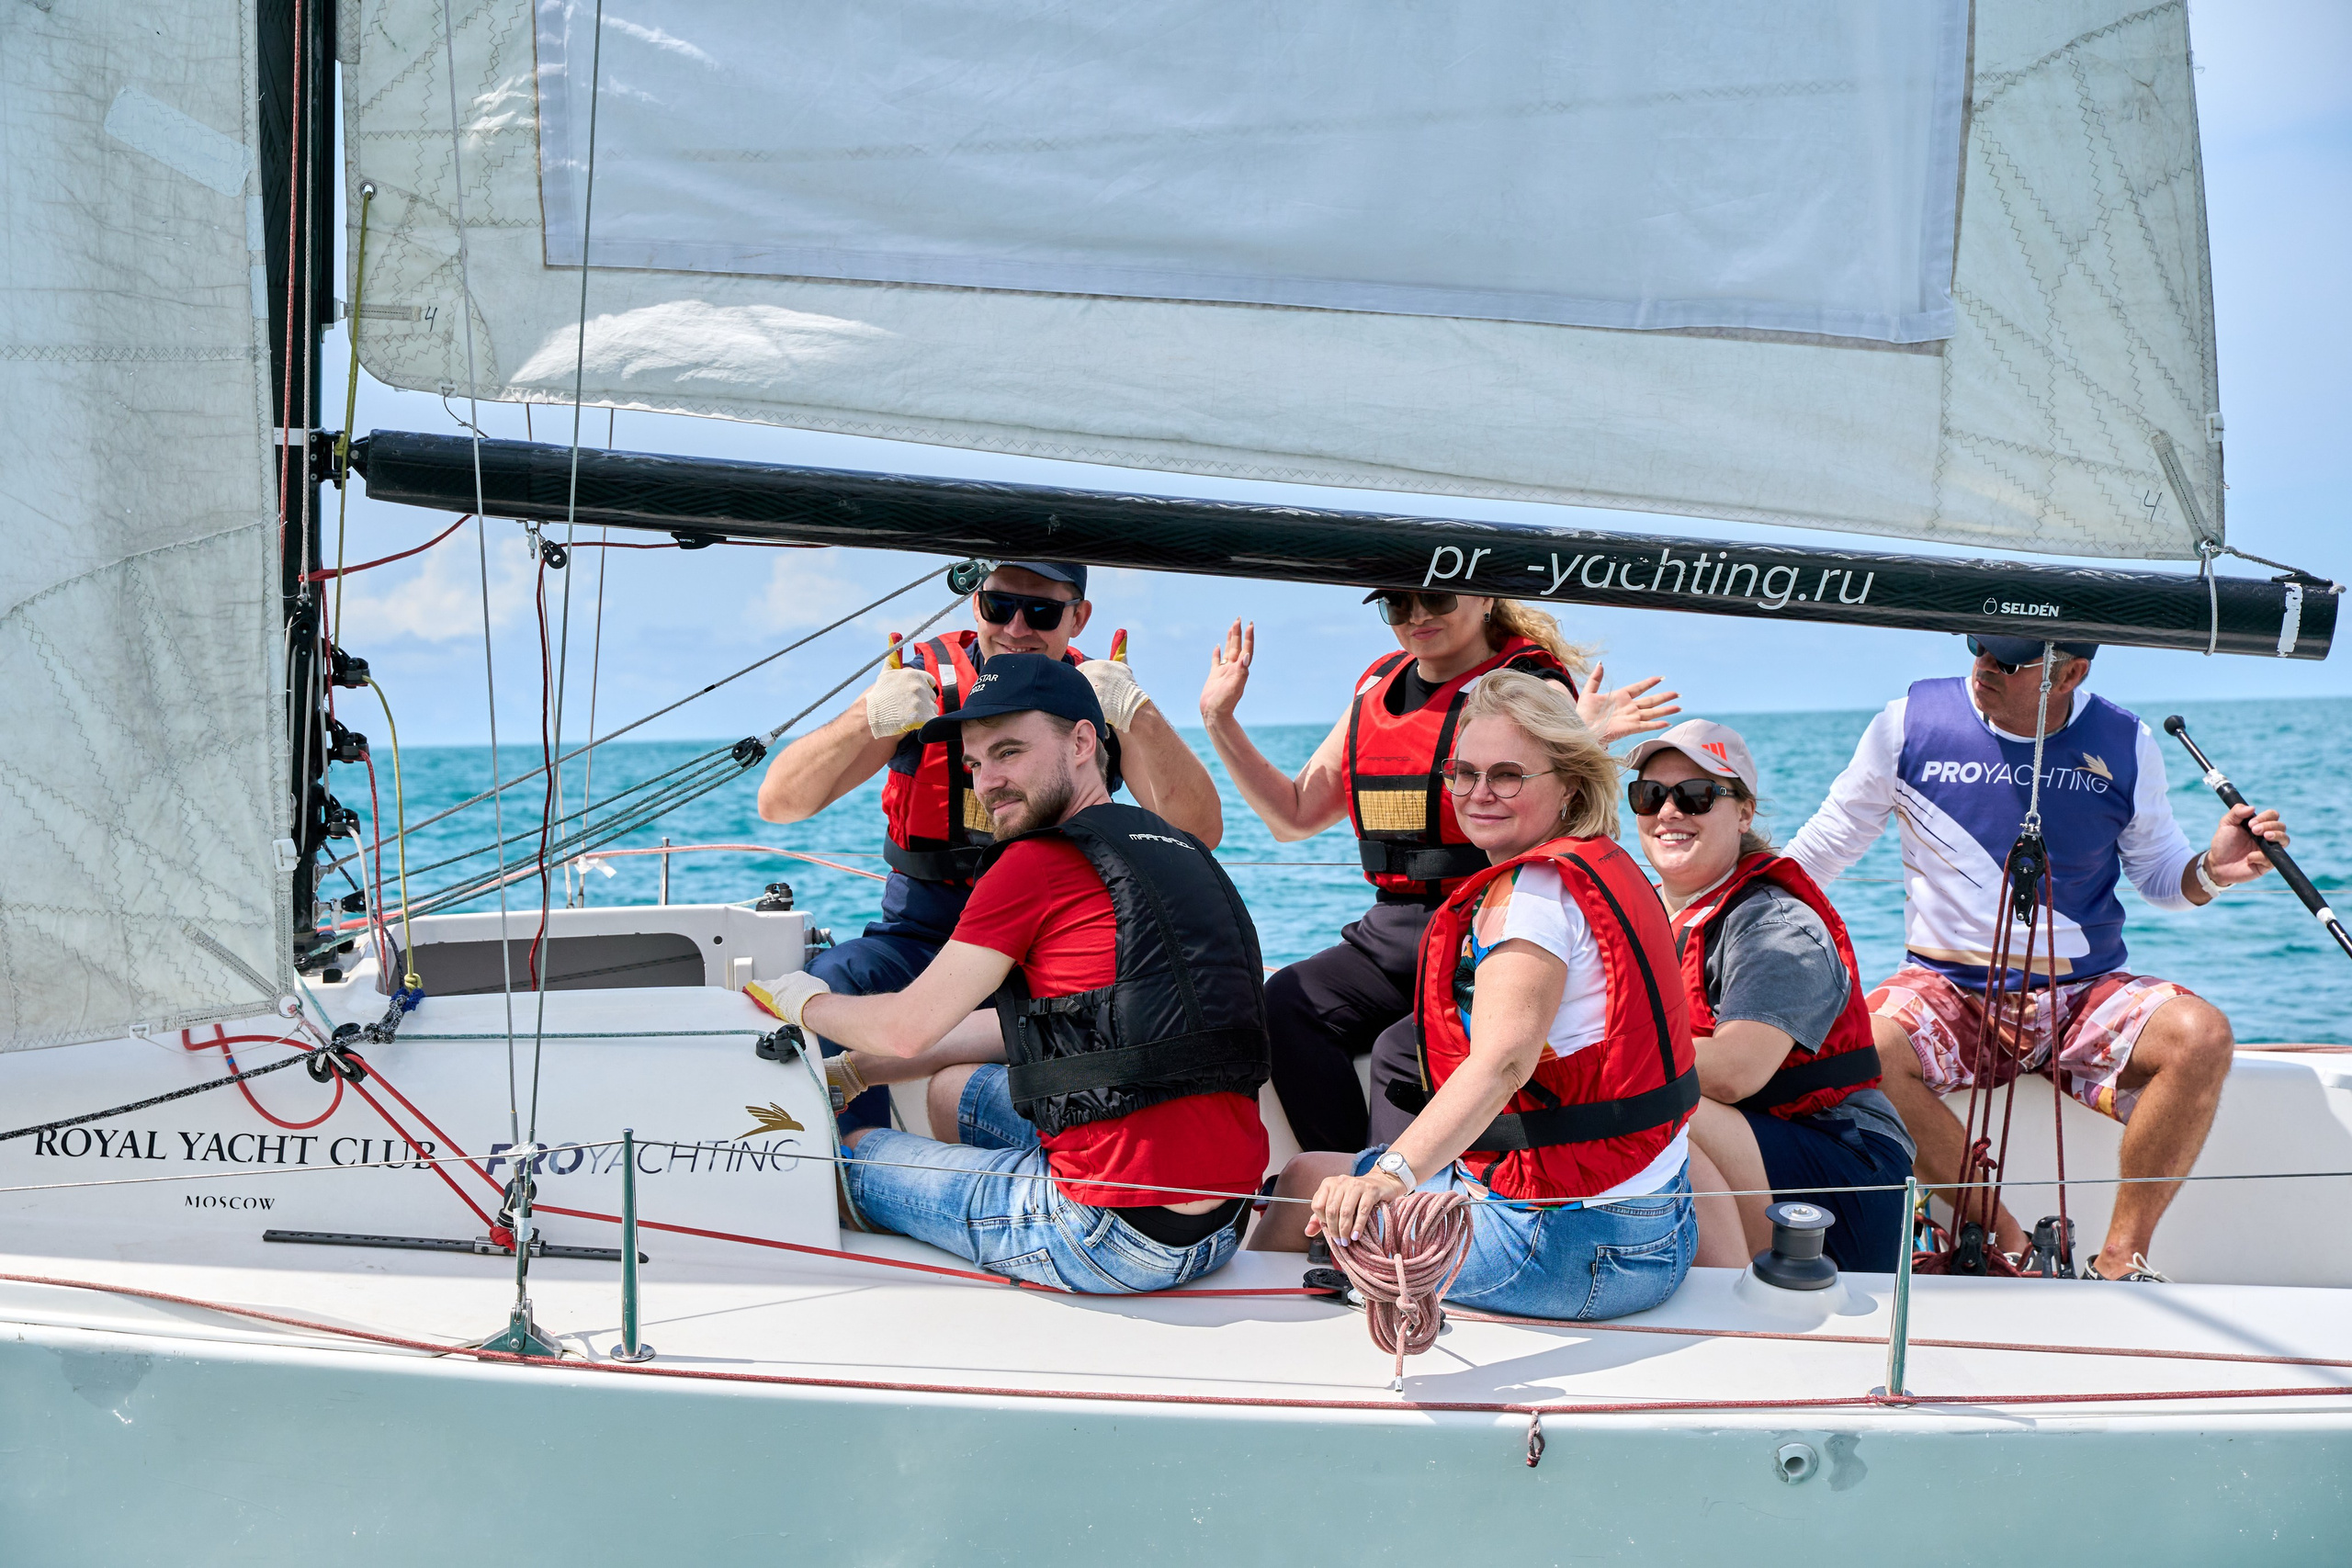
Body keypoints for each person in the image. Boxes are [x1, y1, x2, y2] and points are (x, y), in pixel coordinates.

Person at [755, 654, 1271, 1293]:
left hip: (1101, 1236)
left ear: (1083, 742)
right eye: (974, 764)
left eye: (1009, 752)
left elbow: (905, 1027)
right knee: (952, 1091)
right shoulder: (1177, 846)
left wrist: (805, 1002)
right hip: (1221, 1226)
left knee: (848, 1153)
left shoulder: (1034, 863)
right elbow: (1081, 1028)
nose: (988, 782)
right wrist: (861, 1070)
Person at [1785, 636, 2290, 1280]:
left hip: (2083, 993)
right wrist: (1723, 911)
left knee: (2202, 1034)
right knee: (1865, 1046)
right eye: (1980, 648)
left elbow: (2162, 876)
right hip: (1948, 986)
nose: (1984, 666)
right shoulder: (1906, 723)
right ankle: (2006, 1238)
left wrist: (2214, 870)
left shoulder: (2126, 741)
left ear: (2071, 673)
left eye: (2009, 661)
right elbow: (1825, 846)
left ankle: (2121, 1260)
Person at [1249, 671, 1700, 1323]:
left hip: (1565, 1248)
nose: (1479, 793)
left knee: (1316, 1218)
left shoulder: (1533, 900)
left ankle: (1266, 1346)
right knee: (1302, 1179)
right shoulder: (1604, 862)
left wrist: (1388, 1177)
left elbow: (1502, 1063)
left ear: (1570, 785)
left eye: (1508, 776)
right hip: (1660, 1222)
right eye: (1464, 773)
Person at [1200, 592, 1678, 1155]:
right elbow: (1294, 816)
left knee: (1406, 1050)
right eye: (1397, 605)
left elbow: (1554, 788)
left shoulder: (1533, 685)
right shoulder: (1376, 688)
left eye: (1436, 598)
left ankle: (1391, 1196)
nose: (1418, 616)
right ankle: (1345, 1175)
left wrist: (1585, 735)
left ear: (1484, 598)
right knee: (1287, 1003)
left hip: (1478, 930)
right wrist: (1219, 720)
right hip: (1392, 932)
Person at [758, 562, 1221, 1129]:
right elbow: (779, 804)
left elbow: (1197, 836)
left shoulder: (1092, 701)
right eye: (999, 607)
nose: (1017, 628)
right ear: (974, 604)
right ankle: (854, 1152)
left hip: (1050, 944)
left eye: (1042, 612)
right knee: (836, 981)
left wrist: (1137, 715)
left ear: (1078, 618)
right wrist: (868, 716)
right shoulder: (922, 690)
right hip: (922, 936)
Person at [1626, 721, 1915, 1274]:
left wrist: (1595, 1056)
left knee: (1658, 1102)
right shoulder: (1640, 917)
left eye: (1696, 795)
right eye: (1650, 795)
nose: (1669, 811)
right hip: (1744, 1147)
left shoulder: (1777, 926)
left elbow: (1733, 1073)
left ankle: (1744, 1295)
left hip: (1846, 1170)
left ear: (1744, 813)